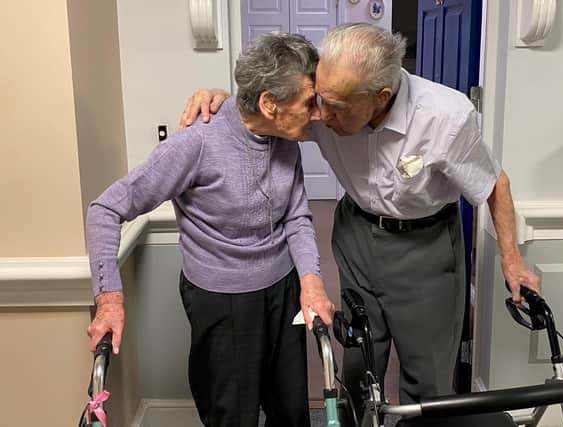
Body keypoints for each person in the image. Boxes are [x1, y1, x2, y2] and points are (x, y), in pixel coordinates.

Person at [180, 23, 541, 425]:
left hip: (424, 246)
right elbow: (269, 107)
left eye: (334, 106)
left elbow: (495, 184)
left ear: (380, 97)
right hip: (355, 237)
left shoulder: (446, 117)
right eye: (318, 99)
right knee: (357, 361)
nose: (320, 114)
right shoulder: (328, 99)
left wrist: (512, 262)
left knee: (428, 379)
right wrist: (220, 98)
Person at [86, 32, 335, 427]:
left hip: (283, 290)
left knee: (291, 413)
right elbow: (105, 208)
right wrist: (110, 300)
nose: (318, 113)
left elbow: (296, 216)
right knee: (231, 416)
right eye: (309, 102)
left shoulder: (286, 135)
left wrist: (311, 281)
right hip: (222, 301)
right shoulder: (196, 143)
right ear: (269, 103)